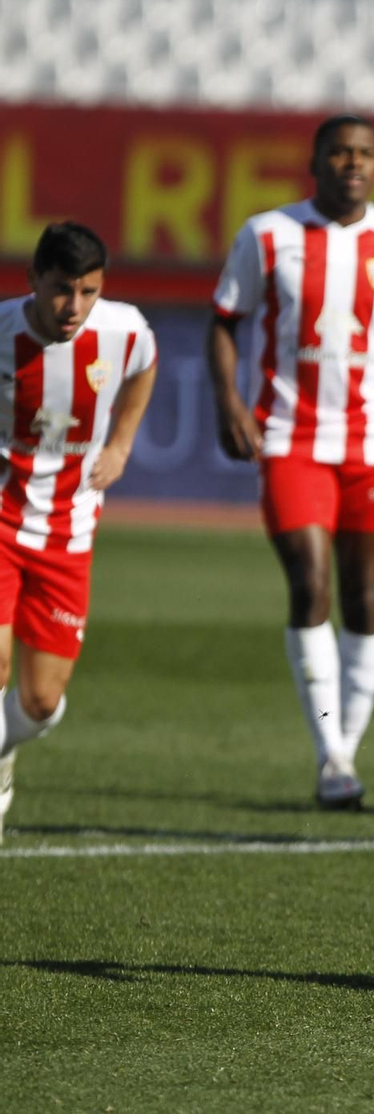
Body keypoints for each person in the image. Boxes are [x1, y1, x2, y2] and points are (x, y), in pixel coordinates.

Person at [206, 114, 374, 809]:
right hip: (290, 437)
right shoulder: (268, 234)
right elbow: (225, 321)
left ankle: (346, 751)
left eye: (364, 153)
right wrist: (229, 401)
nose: (353, 163)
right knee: (310, 582)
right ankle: (331, 754)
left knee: (365, 599)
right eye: (339, 152)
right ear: (315, 161)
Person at [0, 223, 158, 843]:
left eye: (88, 291)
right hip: (2, 518)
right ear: (33, 281)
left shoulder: (124, 331)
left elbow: (145, 366)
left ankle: (3, 752)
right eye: (62, 289)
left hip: (69, 530)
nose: (74, 306)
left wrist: (121, 444)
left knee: (41, 702)